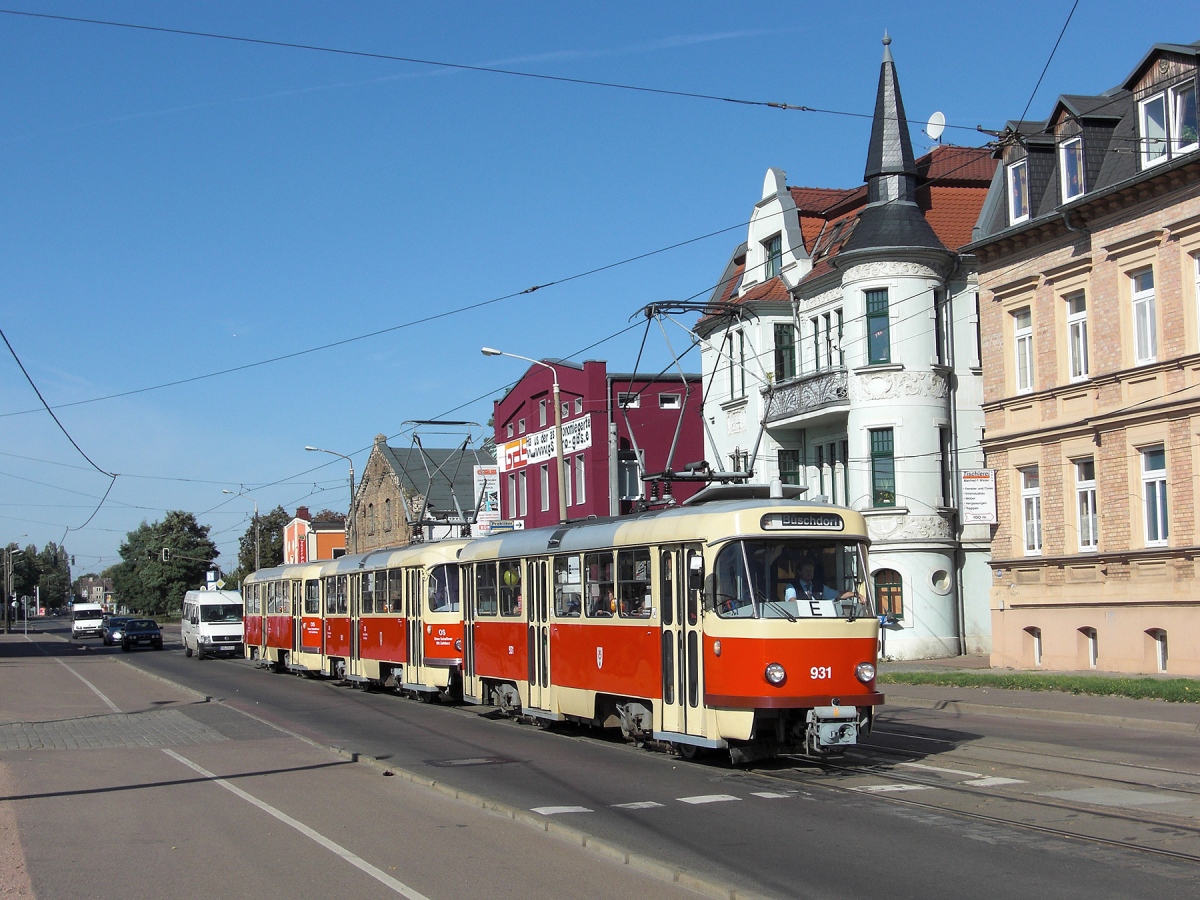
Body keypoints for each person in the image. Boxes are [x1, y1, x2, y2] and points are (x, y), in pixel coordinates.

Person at [785, 560, 855, 603]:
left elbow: (838, 594)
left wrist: (855, 594)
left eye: (811, 571)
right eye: (807, 571)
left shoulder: (819, 587)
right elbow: (792, 601)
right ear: (799, 572)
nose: (809, 573)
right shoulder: (791, 586)